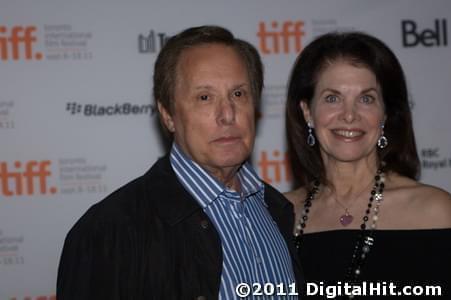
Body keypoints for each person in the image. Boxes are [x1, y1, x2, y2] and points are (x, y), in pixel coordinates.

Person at [57, 25, 301, 299]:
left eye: (238, 94)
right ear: (168, 115)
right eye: (205, 97)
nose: (227, 114)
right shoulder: (107, 232)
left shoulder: (278, 210)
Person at [284, 31, 451, 298]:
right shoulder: (278, 216)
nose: (349, 115)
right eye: (332, 98)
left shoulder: (437, 211)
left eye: (366, 99)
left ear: (385, 113)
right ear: (307, 111)